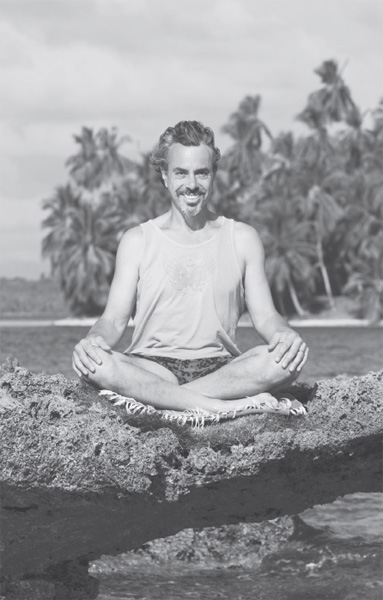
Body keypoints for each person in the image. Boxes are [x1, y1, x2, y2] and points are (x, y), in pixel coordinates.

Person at [72, 120, 308, 415]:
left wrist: (285, 336)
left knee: (283, 361)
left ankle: (165, 400)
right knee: (100, 363)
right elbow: (113, 321)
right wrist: (93, 341)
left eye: (202, 173)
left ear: (213, 175)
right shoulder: (137, 241)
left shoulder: (243, 238)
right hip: (151, 366)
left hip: (222, 372)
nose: (192, 184)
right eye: (181, 173)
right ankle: (218, 407)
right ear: (165, 175)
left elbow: (267, 317)